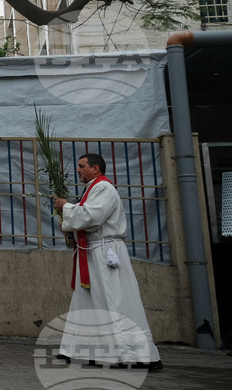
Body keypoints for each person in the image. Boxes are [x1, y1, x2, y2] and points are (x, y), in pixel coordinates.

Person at [53, 153, 163, 371]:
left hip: (105, 252)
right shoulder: (92, 189)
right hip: (92, 251)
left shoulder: (104, 188)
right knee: (90, 300)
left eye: (82, 166)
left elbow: (92, 217)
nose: (78, 170)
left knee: (112, 299)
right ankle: (84, 349)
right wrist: (68, 219)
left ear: (95, 169)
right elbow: (85, 218)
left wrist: (66, 207)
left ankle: (128, 354)